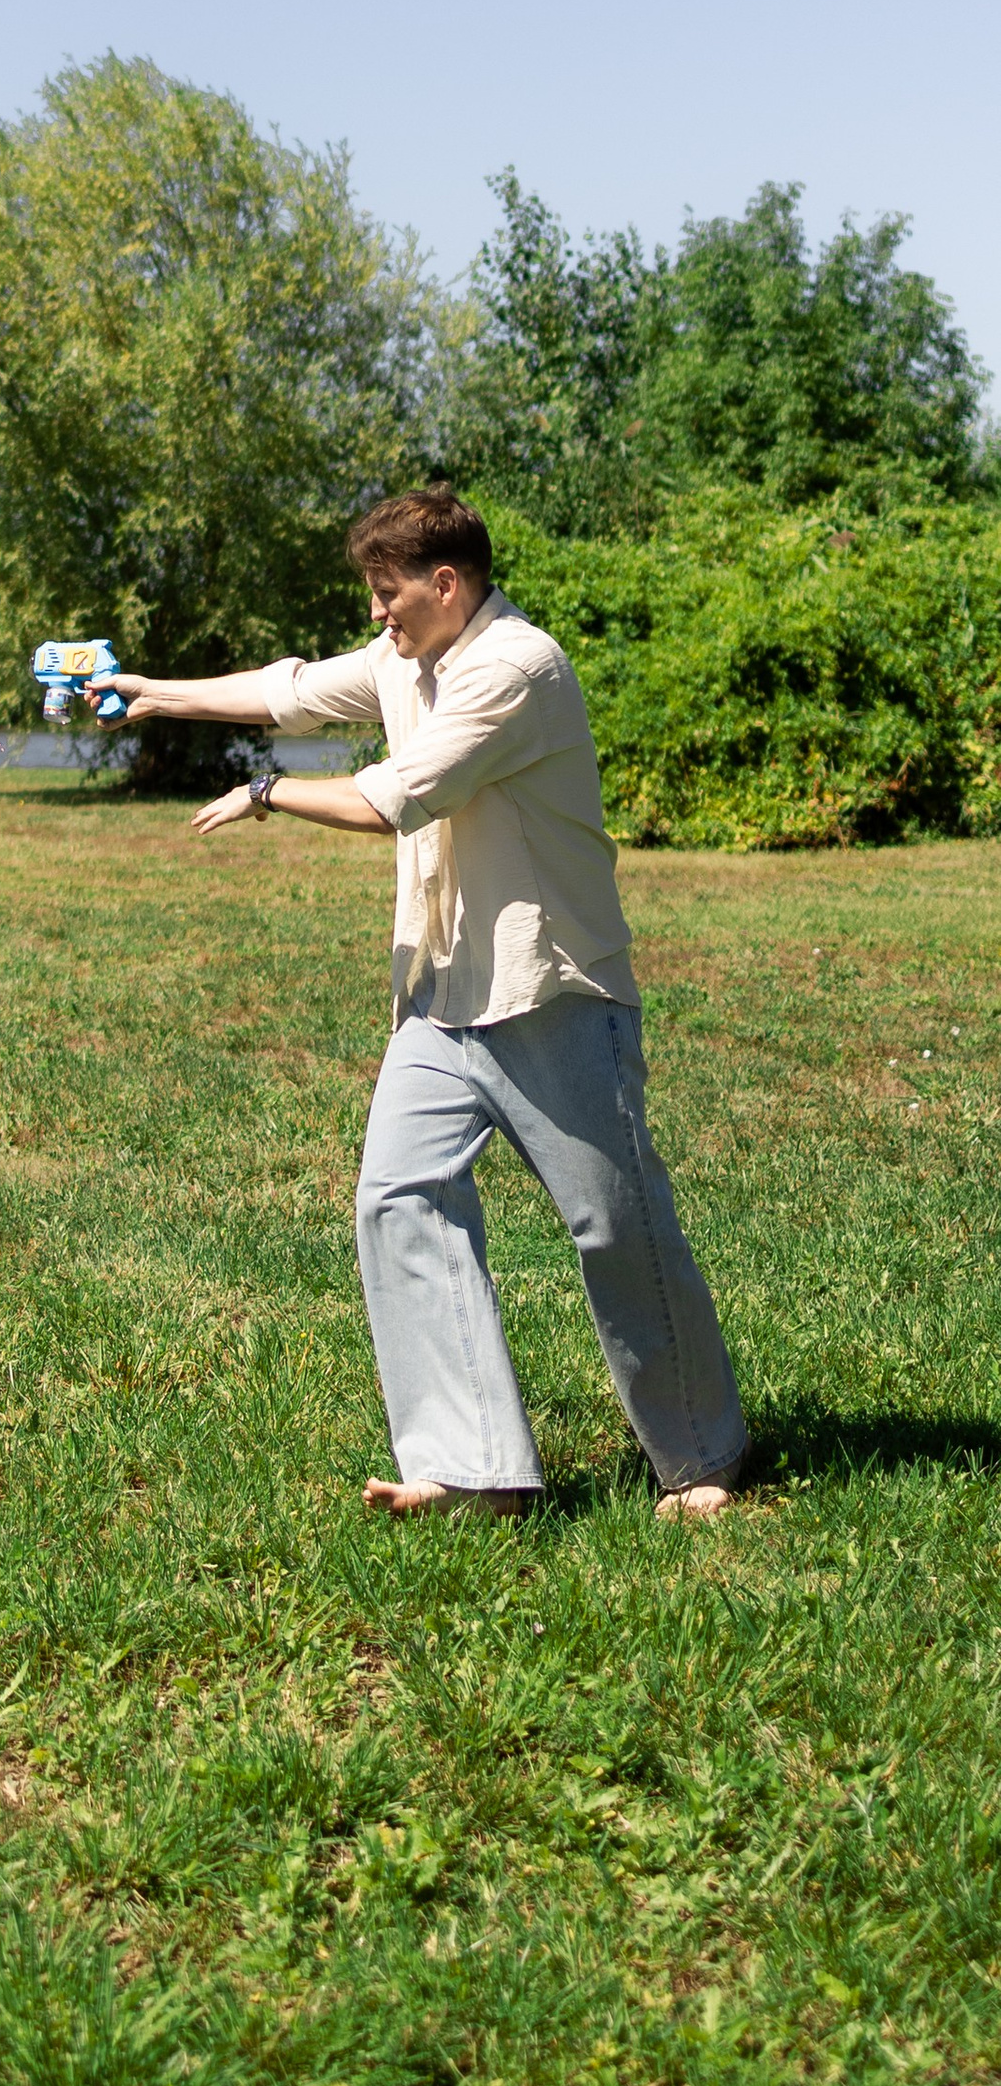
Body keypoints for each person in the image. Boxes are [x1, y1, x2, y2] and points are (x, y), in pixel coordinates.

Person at [109, 489, 744, 1521]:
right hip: (438, 999)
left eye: (386, 592)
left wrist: (266, 796)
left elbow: (388, 798)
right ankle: (474, 1470)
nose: (376, 615)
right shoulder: (408, 659)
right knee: (398, 1199)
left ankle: (703, 1458)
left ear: (443, 584)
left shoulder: (515, 668)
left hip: (550, 992)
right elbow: (294, 691)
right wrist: (158, 694)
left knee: (612, 1226)